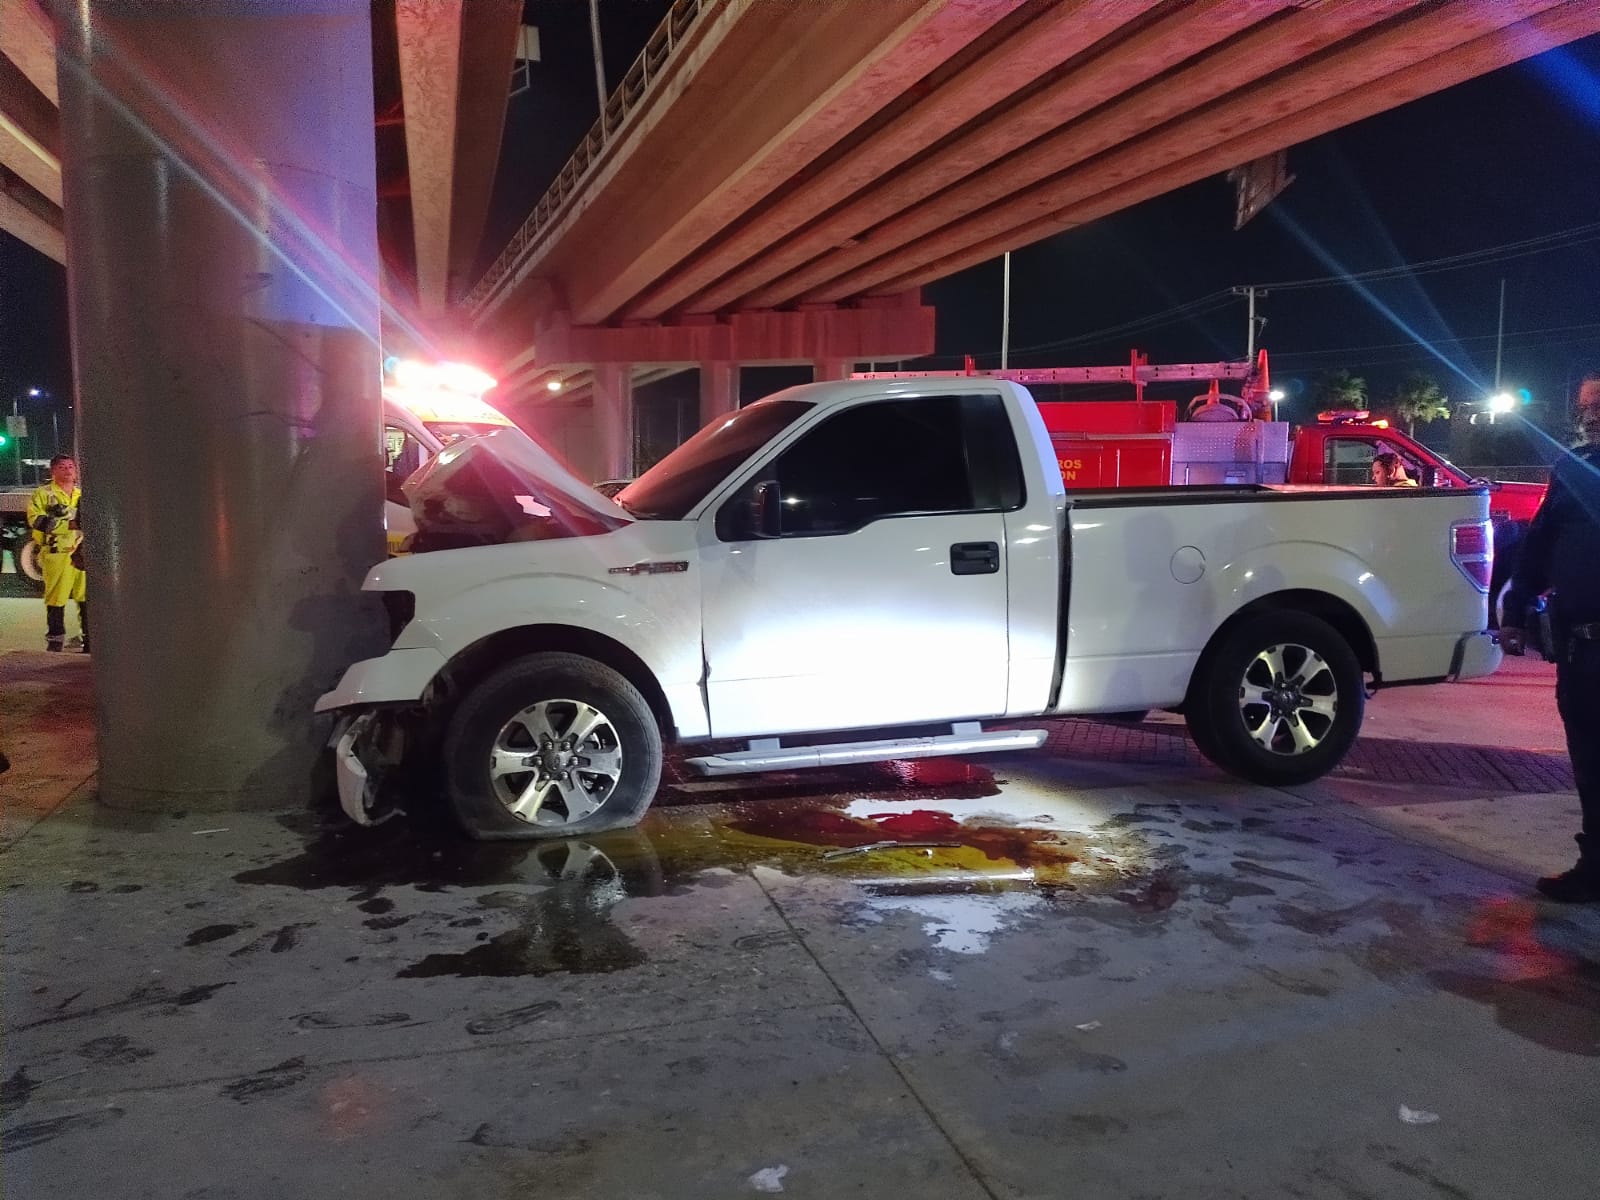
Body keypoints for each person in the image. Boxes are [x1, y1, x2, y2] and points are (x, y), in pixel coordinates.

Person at [1501, 374, 1600, 902]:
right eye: (1587, 407)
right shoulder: (1573, 470)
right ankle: (1596, 867)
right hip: (1583, 650)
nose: (1592, 416)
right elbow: (1539, 546)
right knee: (1591, 763)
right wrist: (1516, 609)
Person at [26, 454, 87, 653]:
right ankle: (55, 642)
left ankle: (89, 640)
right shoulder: (43, 494)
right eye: (62, 467)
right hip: (57, 554)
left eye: (71, 466)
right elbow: (36, 520)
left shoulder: (82, 494)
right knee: (56, 600)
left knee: (85, 598)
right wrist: (69, 524)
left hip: (82, 554)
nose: (68, 470)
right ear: (53, 471)